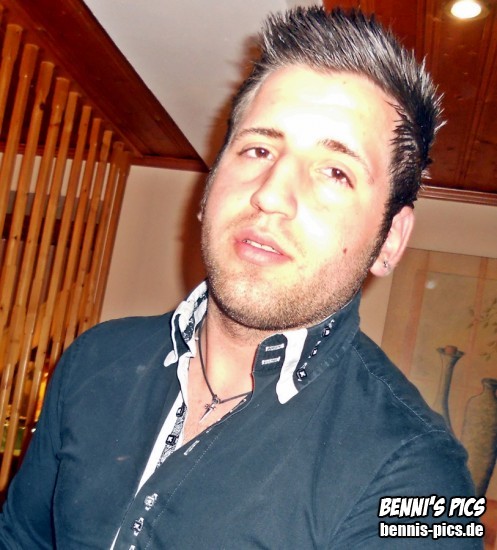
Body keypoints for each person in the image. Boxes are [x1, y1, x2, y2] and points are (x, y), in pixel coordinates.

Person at [0, 6, 483, 549]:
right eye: (258, 149)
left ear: (390, 239)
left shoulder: (425, 478)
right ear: (209, 188)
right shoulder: (93, 359)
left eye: (335, 172)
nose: (270, 194)